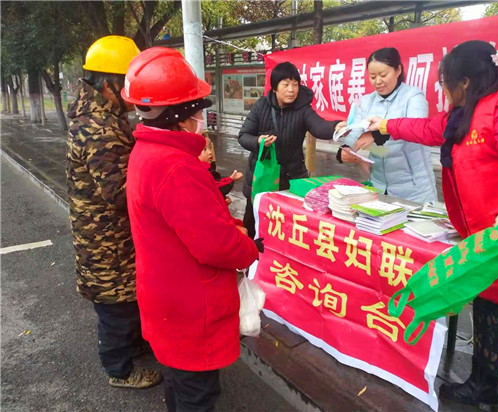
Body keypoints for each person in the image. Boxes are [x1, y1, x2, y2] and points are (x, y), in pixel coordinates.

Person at [367, 40, 498, 412]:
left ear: (464, 81)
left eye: (445, 82)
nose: (443, 89)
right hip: (483, 248)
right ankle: (482, 387)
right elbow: (428, 129)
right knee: (487, 321)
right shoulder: (463, 112)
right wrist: (386, 124)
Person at [121, 47, 261, 412]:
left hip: (165, 296)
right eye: (197, 110)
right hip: (189, 306)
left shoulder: (147, 152)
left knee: (178, 383)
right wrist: (248, 248)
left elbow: (186, 219)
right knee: (196, 395)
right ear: (181, 119)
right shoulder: (176, 167)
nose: (202, 118)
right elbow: (215, 245)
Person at [66, 35, 162, 389]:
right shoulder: (100, 129)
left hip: (107, 234)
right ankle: (119, 371)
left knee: (125, 302)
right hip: (107, 240)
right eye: (129, 87)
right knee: (115, 306)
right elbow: (120, 193)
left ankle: (130, 346)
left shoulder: (100, 117)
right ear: (108, 86)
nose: (134, 96)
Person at [238, 61, 346, 238]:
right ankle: (250, 254)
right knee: (254, 222)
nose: (291, 90)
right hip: (262, 177)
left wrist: (335, 127)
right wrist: (259, 141)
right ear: (275, 87)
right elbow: (243, 136)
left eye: (295, 84)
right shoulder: (261, 106)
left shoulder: (303, 108)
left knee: (287, 226)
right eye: (286, 84)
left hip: (291, 178)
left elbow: (318, 127)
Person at [340, 47, 437, 204]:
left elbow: (415, 128)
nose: (377, 81)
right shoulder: (367, 101)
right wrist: (346, 149)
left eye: (383, 75)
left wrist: (375, 134)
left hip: (414, 190)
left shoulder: (413, 97)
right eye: (372, 76)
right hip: (379, 186)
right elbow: (356, 132)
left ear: (398, 70)